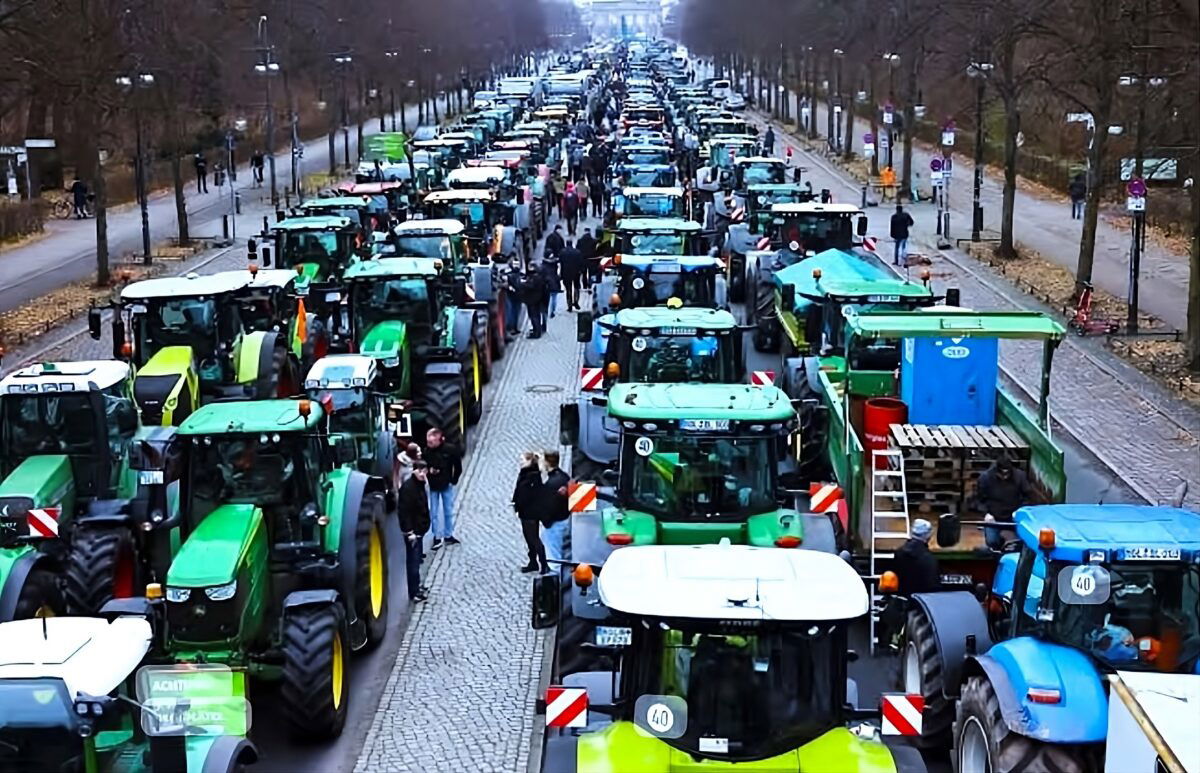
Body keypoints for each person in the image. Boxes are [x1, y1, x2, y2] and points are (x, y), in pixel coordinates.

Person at [975, 457, 1033, 549]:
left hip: (1014, 517)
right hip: (994, 517)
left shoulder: (1020, 477)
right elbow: (979, 499)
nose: (1005, 476)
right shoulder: (986, 478)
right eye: (1002, 473)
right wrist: (986, 514)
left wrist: (1020, 511)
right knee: (992, 542)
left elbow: (1028, 496)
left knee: (1021, 543)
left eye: (1007, 473)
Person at [424, 427, 462, 549]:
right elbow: (422, 466)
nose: (429, 444)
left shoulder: (450, 450)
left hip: (446, 484)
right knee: (433, 513)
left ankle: (448, 535)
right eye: (428, 442)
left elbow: (458, 466)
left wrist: (453, 480)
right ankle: (436, 537)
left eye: (431, 442)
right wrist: (429, 471)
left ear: (439, 440)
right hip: (434, 486)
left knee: (448, 511)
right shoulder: (426, 452)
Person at [398, 460, 431, 602]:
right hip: (413, 533)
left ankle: (417, 586)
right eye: (421, 471)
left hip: (419, 530)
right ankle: (414, 592)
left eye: (425, 471)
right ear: (414, 471)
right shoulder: (408, 488)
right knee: (413, 562)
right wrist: (409, 532)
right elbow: (404, 512)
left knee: (417, 562)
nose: (423, 474)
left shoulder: (420, 484)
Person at [513, 452, 549, 573]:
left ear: (529, 461)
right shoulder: (526, 473)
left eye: (523, 460)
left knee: (534, 539)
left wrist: (519, 503)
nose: (520, 462)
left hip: (530, 513)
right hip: (526, 512)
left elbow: (526, 495)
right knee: (530, 539)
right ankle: (533, 562)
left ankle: (543, 564)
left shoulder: (531, 476)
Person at [539, 450, 571, 563]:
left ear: (547, 463)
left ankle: (555, 576)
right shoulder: (564, 477)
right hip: (565, 518)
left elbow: (549, 507)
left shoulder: (551, 484)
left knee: (554, 556)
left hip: (555, 524)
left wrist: (546, 522)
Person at [893, 519, 940, 595]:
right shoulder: (929, 559)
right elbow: (933, 586)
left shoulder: (899, 553)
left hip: (903, 600)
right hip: (921, 601)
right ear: (928, 536)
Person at [521, 261, 548, 338]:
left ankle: (536, 332)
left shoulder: (535, 277)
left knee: (534, 316)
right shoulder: (539, 276)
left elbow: (530, 286)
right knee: (536, 315)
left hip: (533, 299)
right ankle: (536, 329)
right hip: (537, 299)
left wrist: (522, 284)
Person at [559, 239, 584, 312]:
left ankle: (569, 305)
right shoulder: (577, 252)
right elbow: (581, 262)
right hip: (576, 272)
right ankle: (576, 302)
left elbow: (561, 263)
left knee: (568, 289)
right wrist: (581, 271)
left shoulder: (562, 252)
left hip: (566, 273)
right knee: (576, 287)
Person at [541, 252, 563, 320]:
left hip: (546, 284)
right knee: (554, 298)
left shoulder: (543, 265)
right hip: (554, 282)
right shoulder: (555, 263)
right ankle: (552, 311)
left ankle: (546, 313)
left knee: (546, 300)